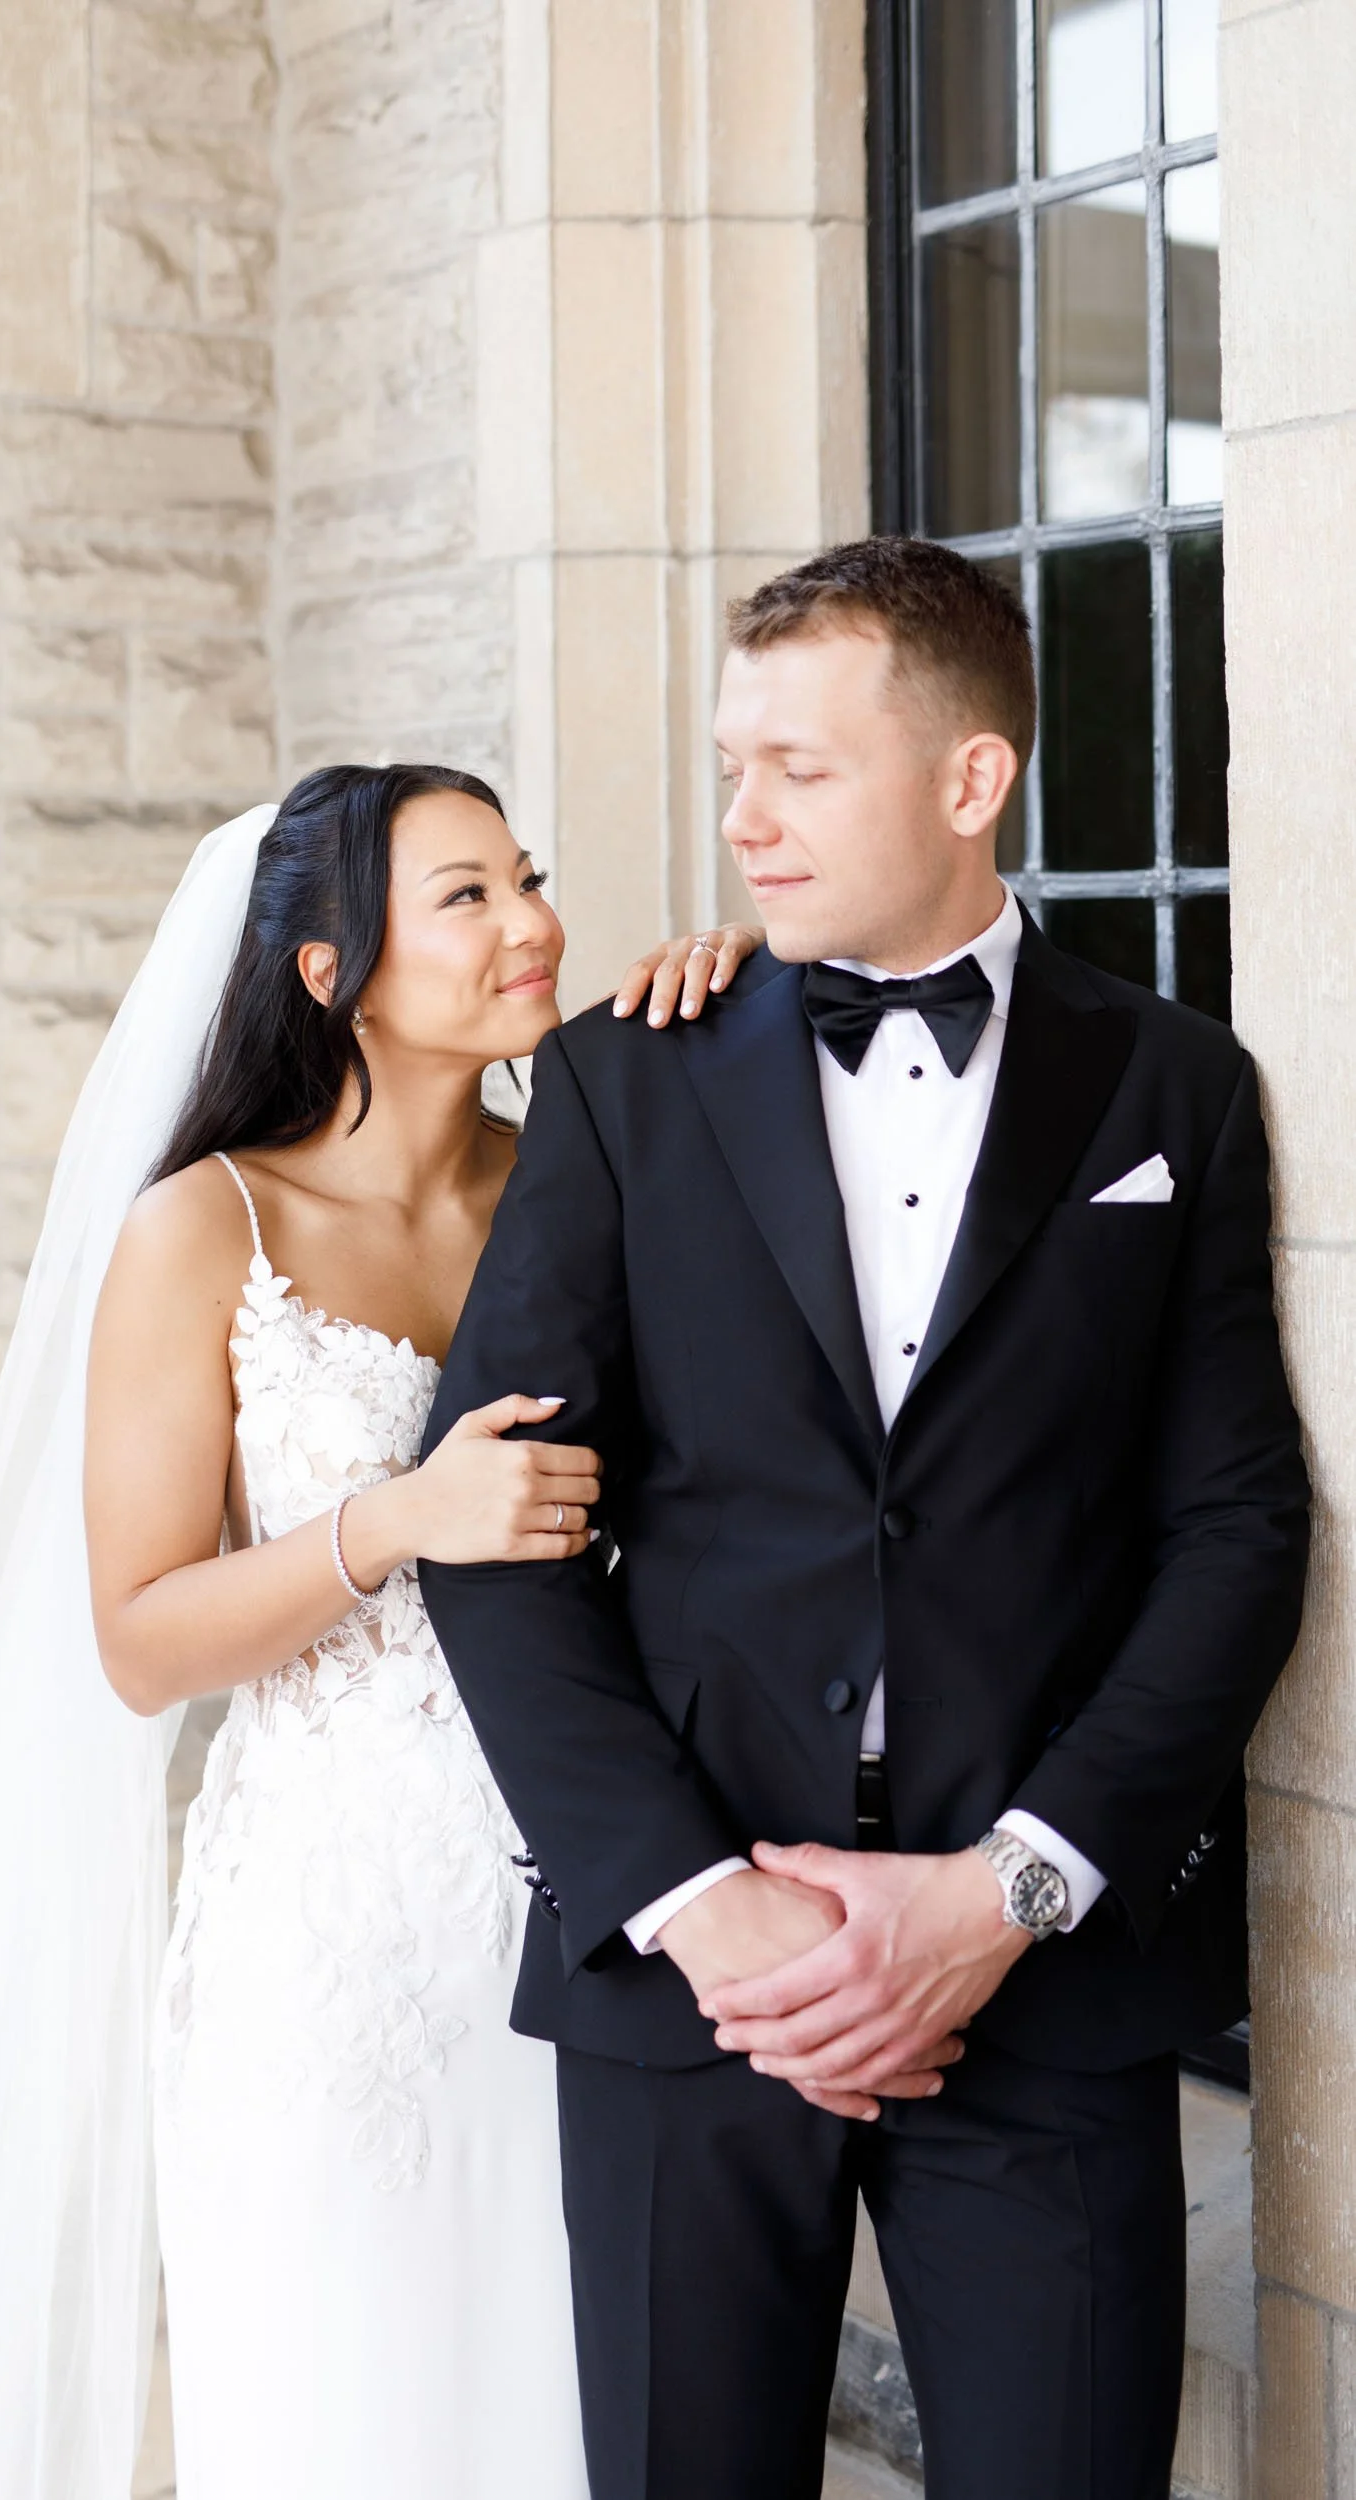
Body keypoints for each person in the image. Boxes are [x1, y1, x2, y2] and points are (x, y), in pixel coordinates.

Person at [0, 761, 754, 2500]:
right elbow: (138, 1635)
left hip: (601, 1902)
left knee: (589, 2426)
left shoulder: (592, 1163)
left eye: (528, 878)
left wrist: (737, 1009)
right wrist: (392, 1521)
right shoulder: (207, 1228)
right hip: (330, 1955)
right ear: (330, 969)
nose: (533, 922)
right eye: (465, 896)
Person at [419, 537, 1311, 2500]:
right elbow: (489, 1529)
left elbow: (1235, 1528)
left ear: (966, 778)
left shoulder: (1174, 1085)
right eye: (732, 762)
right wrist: (705, 1907)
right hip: (684, 1984)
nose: (736, 816)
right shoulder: (612, 1085)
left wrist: (1009, 1882)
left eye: (795, 768)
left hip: (1046, 1981)